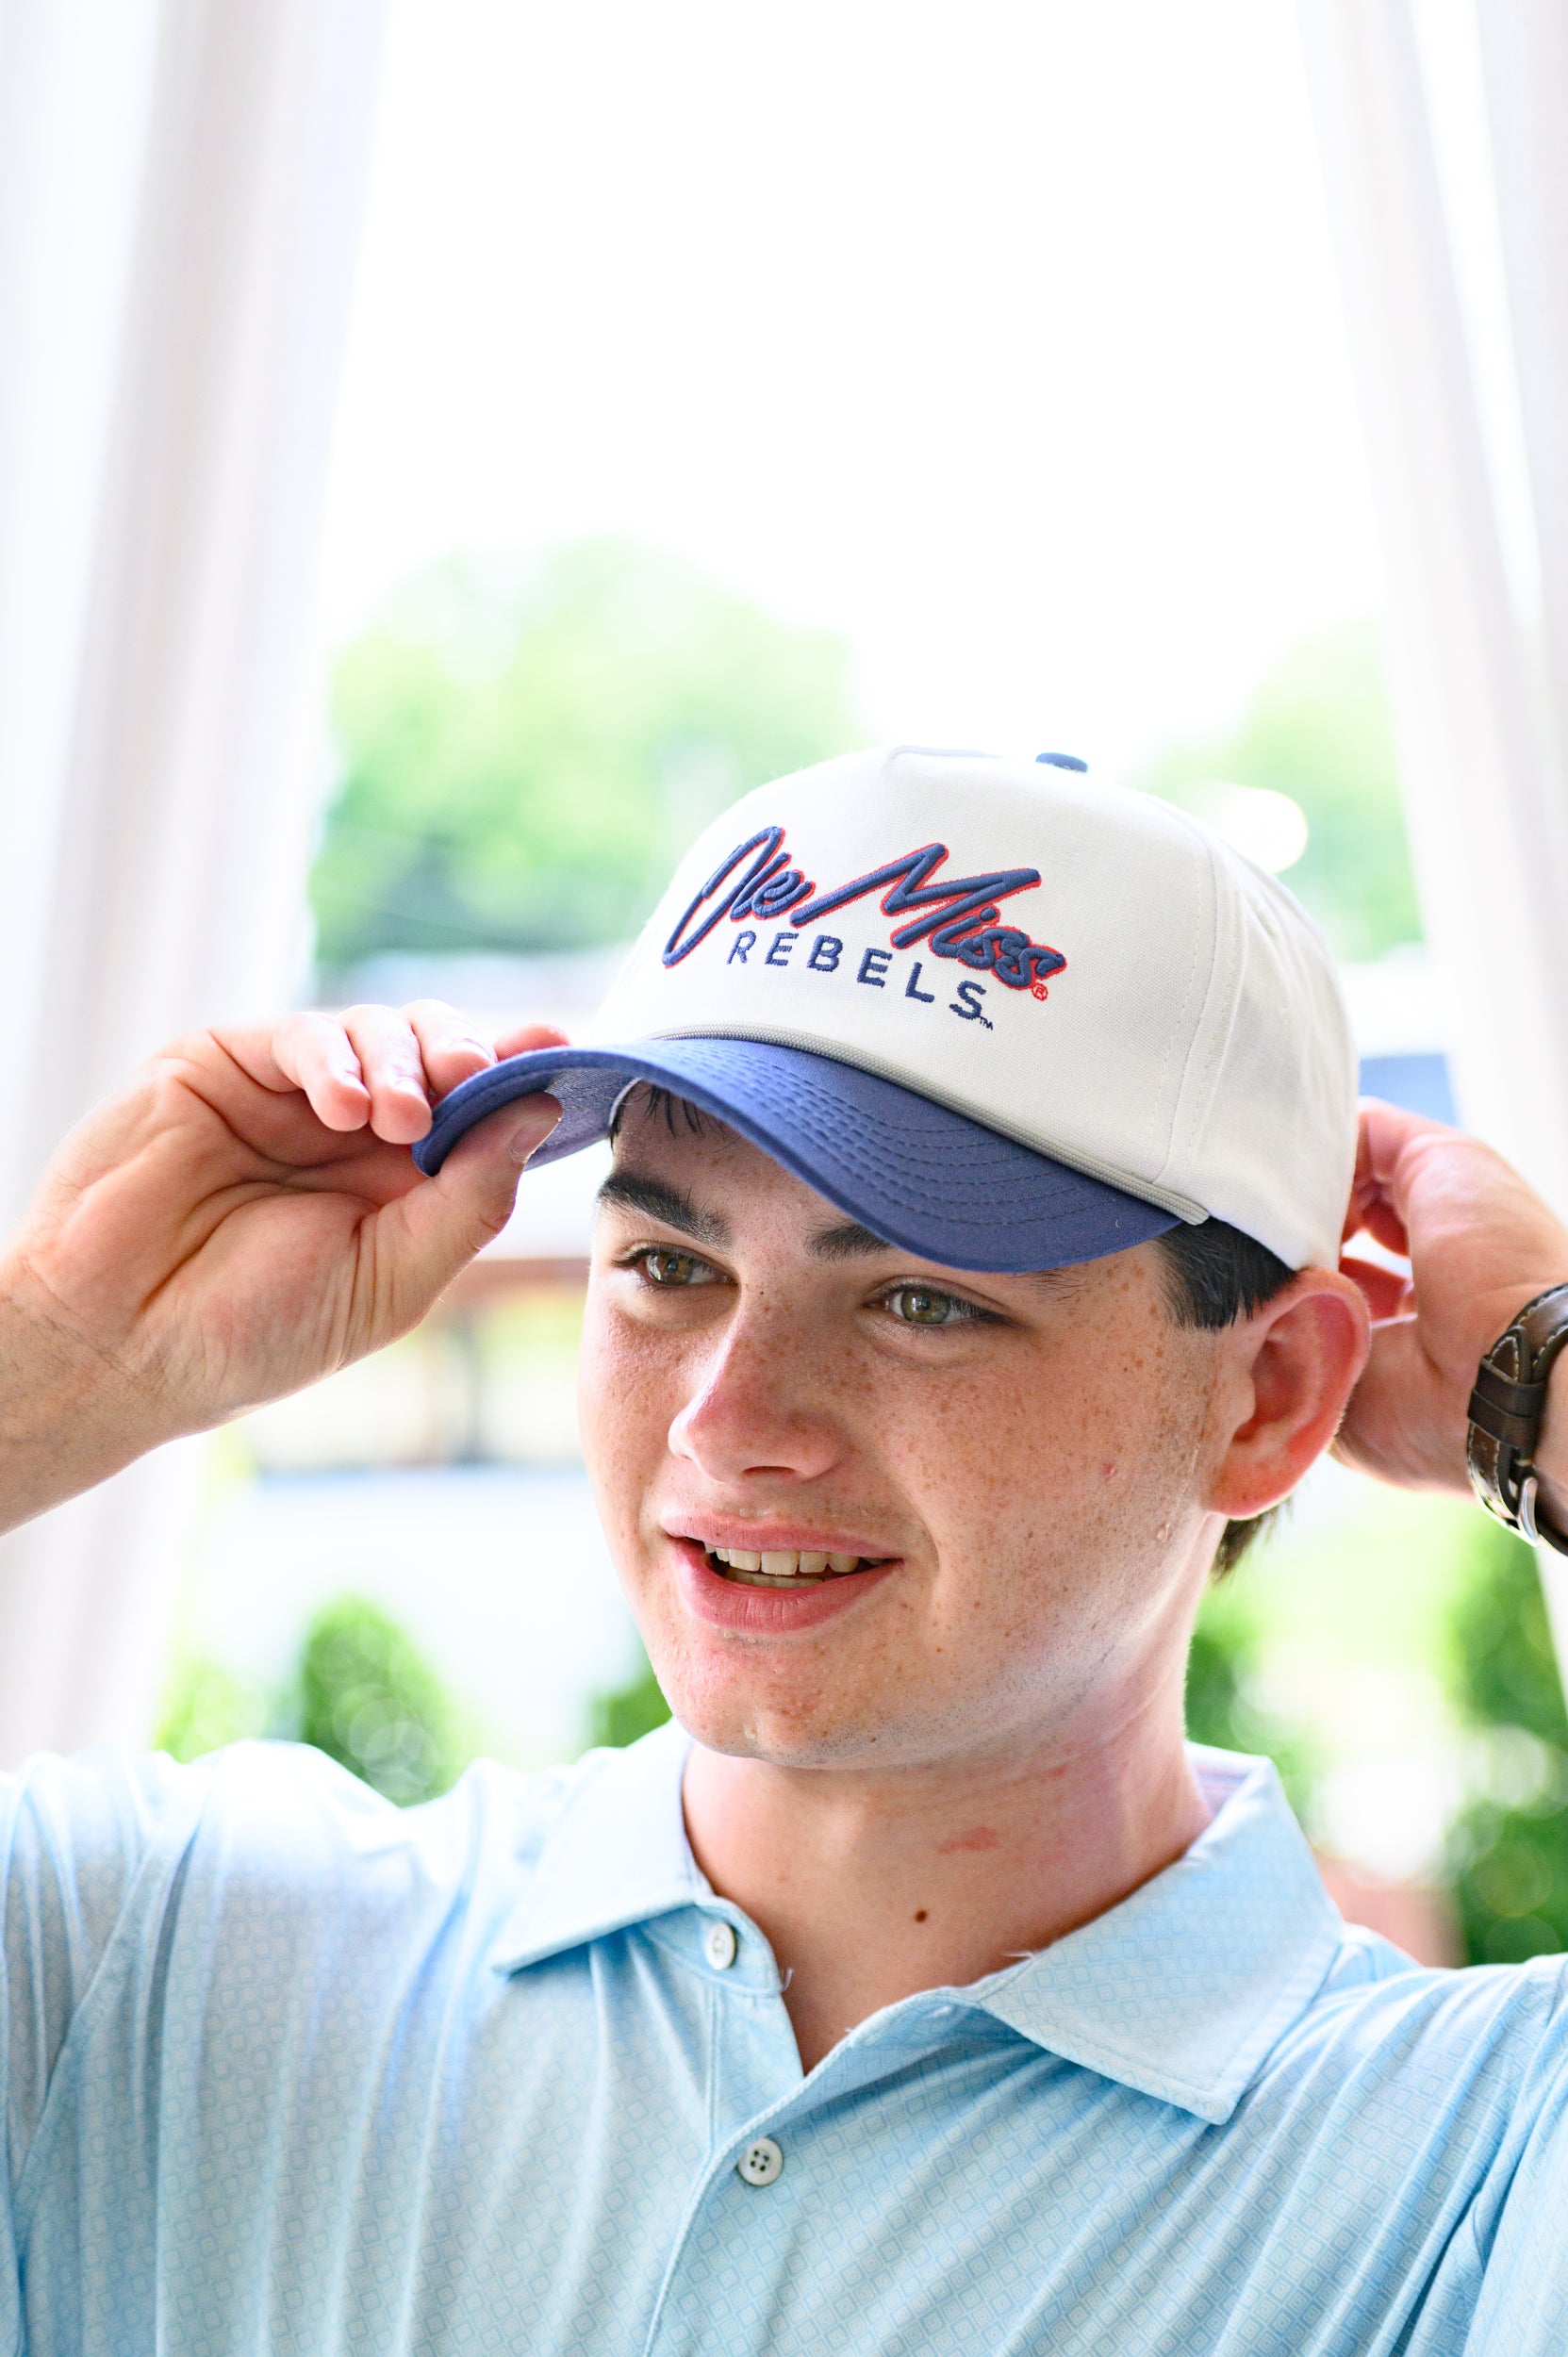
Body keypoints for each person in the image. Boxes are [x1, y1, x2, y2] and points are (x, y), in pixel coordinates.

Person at [2, 742, 1567, 2355]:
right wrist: (54, 1364)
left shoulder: (1485, 2170)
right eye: (671, 1263)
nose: (729, 1422)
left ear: (1274, 1391)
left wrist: (1545, 1386)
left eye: (921, 1299)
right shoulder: (149, 1967)